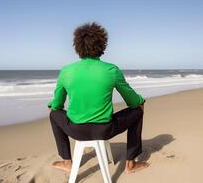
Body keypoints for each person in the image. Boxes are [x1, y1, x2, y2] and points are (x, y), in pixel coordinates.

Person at [48, 22, 149, 174]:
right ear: (102, 45)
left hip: (76, 130)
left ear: (77, 46)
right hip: (105, 130)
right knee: (138, 110)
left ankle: (67, 161)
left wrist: (53, 105)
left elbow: (57, 105)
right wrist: (141, 102)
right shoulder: (111, 70)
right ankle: (130, 163)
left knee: (54, 114)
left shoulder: (66, 71)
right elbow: (133, 101)